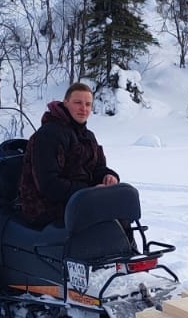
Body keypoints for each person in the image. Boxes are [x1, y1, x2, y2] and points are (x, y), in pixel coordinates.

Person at [17, 82, 119, 227]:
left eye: (88, 104)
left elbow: (97, 168)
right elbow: (49, 185)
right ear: (66, 103)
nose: (83, 109)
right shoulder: (49, 135)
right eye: (78, 103)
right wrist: (89, 192)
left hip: (80, 199)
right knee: (102, 218)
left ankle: (129, 248)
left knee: (121, 207)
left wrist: (108, 176)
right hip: (44, 206)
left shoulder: (88, 136)